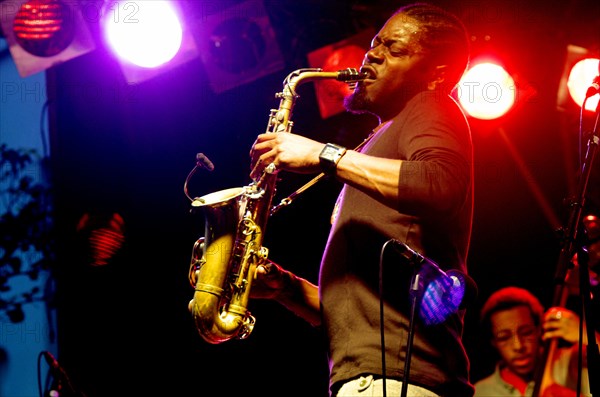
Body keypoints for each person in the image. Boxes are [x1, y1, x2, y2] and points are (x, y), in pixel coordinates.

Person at [248, 3, 474, 396]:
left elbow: (442, 183)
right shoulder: (376, 145)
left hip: (401, 379)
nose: (373, 54)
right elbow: (359, 310)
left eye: (394, 49)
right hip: (373, 379)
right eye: (375, 44)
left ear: (436, 75)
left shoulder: (430, 106)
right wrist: (286, 288)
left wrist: (324, 154)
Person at [473, 286, 598, 397]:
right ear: (493, 341)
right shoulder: (480, 392)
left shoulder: (575, 360)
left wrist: (587, 335)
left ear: (539, 329)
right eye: (504, 337)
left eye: (526, 332)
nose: (518, 346)